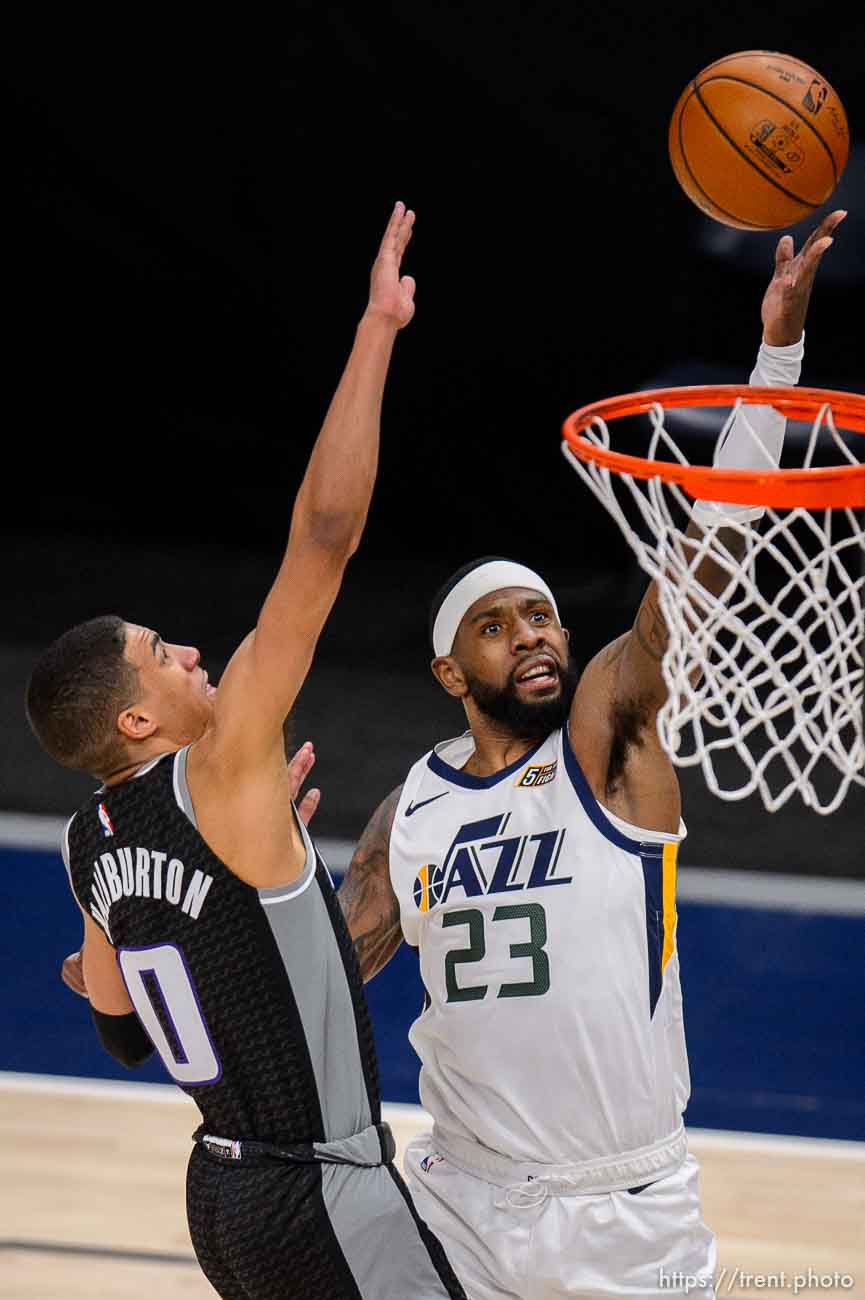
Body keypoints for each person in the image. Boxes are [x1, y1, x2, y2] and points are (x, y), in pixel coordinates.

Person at [336, 209, 846, 1300]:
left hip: (625, 1215)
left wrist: (778, 356)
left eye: (544, 615)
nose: (533, 632)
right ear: (447, 669)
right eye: (498, 622)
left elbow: (708, 559)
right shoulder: (410, 808)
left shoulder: (606, 741)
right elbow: (325, 978)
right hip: (457, 1195)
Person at [29, 203, 467, 1300]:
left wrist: (255, 891)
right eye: (158, 654)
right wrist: (377, 328)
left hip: (223, 1202)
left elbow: (122, 1031)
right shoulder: (221, 761)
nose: (186, 649)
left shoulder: (89, 840)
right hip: (319, 1190)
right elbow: (324, 537)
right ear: (136, 721)